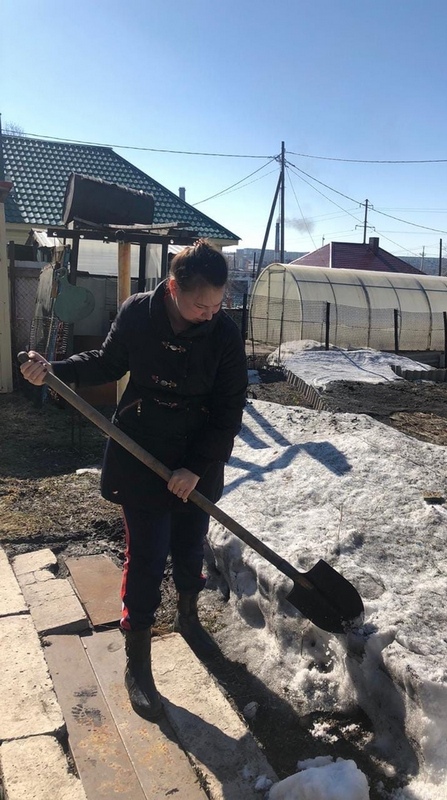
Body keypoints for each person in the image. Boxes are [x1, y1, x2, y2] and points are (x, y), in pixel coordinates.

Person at [21, 240, 248, 720]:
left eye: (217, 305)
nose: (209, 314)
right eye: (200, 305)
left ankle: (188, 615)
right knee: (146, 554)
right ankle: (138, 661)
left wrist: (196, 467)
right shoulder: (138, 314)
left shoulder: (225, 333)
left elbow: (229, 408)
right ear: (173, 289)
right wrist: (54, 370)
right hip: (140, 449)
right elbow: (106, 363)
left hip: (197, 457)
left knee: (189, 544)